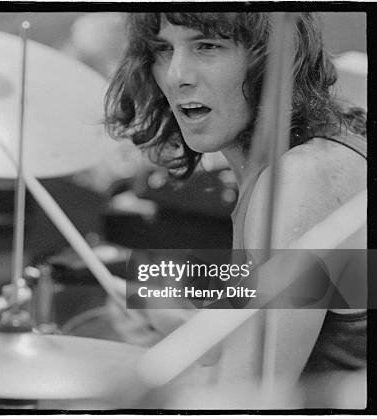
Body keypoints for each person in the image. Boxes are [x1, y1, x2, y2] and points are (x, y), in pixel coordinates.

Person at [104, 12, 367, 405]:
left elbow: (243, 403)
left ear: (273, 58)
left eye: (207, 46)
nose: (177, 75)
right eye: (163, 49)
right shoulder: (306, 156)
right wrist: (187, 333)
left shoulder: (299, 180)